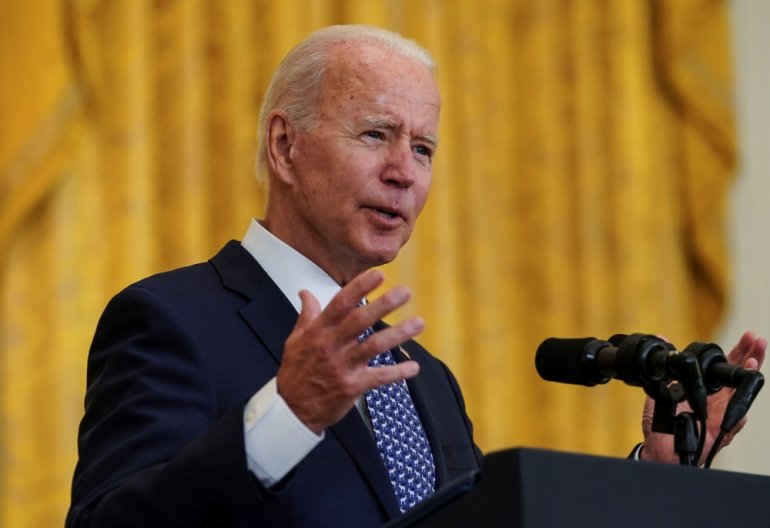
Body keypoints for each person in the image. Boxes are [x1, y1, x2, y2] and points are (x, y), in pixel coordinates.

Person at [66, 24, 766, 528]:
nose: (404, 171)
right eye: (376, 134)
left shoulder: (422, 377)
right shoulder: (171, 320)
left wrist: (658, 475)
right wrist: (289, 415)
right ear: (285, 146)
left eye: (423, 147)